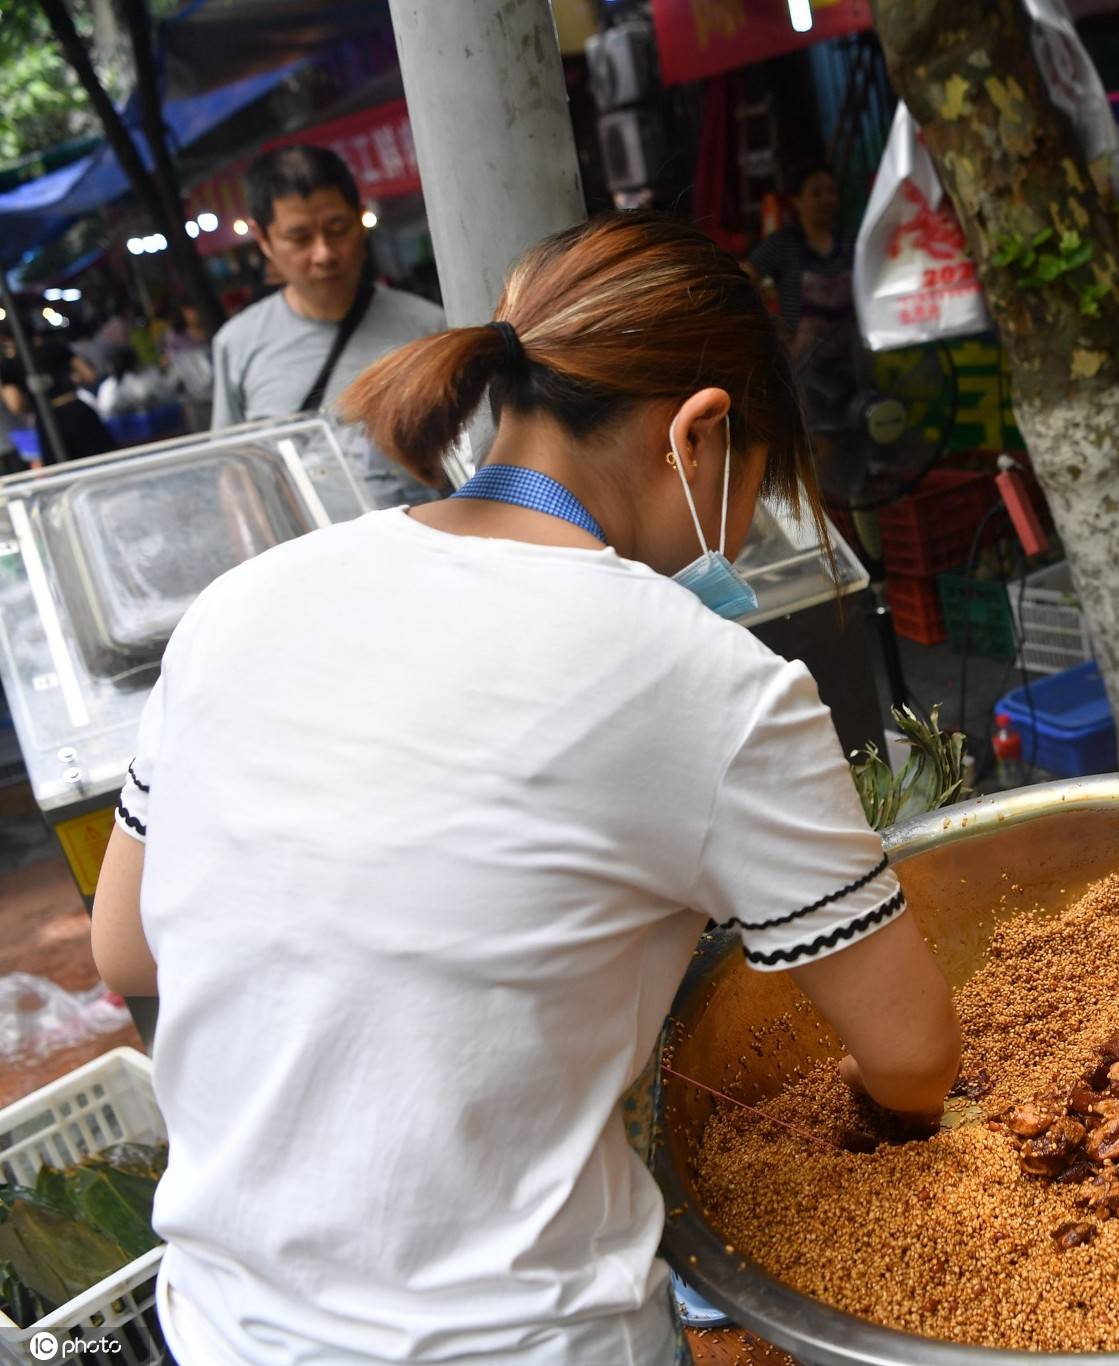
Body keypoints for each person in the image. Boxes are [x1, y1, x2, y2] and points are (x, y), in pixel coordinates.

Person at [89, 213, 961, 1364]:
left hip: (220, 1325)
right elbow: (912, 1054)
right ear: (699, 434)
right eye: (759, 489)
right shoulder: (706, 678)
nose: (742, 537)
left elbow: (125, 948)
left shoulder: (241, 600)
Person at [211, 145, 445, 506]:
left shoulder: (430, 329)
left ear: (360, 220)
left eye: (337, 229)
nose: (324, 254)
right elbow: (234, 477)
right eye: (299, 238)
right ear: (263, 240)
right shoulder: (236, 343)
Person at [746, 163, 857, 439]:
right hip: (805, 365)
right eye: (816, 193)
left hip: (852, 359)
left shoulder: (849, 240)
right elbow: (745, 277)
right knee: (818, 436)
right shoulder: (784, 243)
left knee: (855, 429)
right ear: (797, 201)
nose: (826, 200)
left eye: (831, 192)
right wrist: (768, 327)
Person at [0, 339, 117, 468]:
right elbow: (89, 375)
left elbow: (15, 405)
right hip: (76, 409)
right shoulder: (56, 346)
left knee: (61, 471)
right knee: (103, 463)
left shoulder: (10, 364)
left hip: (47, 420)